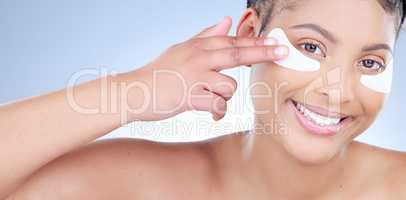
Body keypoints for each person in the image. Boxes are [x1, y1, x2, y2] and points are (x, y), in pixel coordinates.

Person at [2, 0, 406, 199]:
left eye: (370, 62)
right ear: (250, 34)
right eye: (312, 47)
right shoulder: (150, 185)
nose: (338, 91)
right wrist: (132, 91)